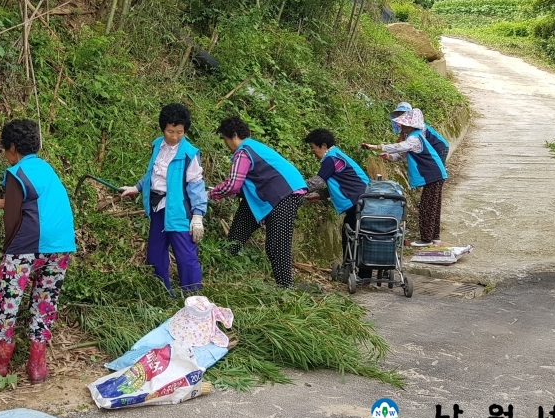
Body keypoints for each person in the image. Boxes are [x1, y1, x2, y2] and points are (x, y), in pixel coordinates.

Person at [0, 119, 76, 383]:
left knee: (6, 298)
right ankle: (37, 366)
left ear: (11, 147)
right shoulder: (46, 169)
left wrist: (8, 254)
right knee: (45, 301)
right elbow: (32, 202)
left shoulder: (15, 172)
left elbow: (13, 218)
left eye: (5, 150)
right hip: (61, 245)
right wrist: (1, 202)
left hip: (29, 245)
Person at [119, 103, 207, 293]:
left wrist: (198, 215)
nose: (174, 136)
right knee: (156, 253)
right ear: (163, 128)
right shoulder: (157, 145)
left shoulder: (189, 154)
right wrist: (137, 187)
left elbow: (196, 184)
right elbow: (153, 173)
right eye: (170, 131)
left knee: (186, 256)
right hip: (157, 208)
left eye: (179, 132)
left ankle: (193, 296)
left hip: (178, 211)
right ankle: (162, 292)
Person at [209, 116, 307, 287]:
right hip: (267, 196)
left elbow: (233, 185)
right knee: (237, 234)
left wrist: (210, 195)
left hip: (285, 195)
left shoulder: (244, 151)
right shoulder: (254, 147)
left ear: (233, 135)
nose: (226, 145)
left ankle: (286, 288)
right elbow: (245, 185)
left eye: (225, 140)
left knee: (276, 245)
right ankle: (218, 274)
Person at [364, 107, 447, 247]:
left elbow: (400, 147)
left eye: (403, 124)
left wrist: (376, 146)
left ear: (410, 126)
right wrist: (388, 157)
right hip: (435, 174)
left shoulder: (414, 137)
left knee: (427, 206)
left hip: (433, 174)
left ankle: (426, 239)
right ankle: (434, 237)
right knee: (433, 206)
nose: (400, 126)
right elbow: (402, 155)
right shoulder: (413, 137)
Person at [302, 128, 370, 277]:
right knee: (359, 234)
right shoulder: (336, 156)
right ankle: (362, 272)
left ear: (323, 146)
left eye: (313, 148)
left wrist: (294, 189)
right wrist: (320, 196)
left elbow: (317, 182)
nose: (313, 153)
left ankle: (352, 271)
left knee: (351, 234)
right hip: (363, 198)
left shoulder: (331, 159)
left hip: (358, 200)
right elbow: (341, 183)